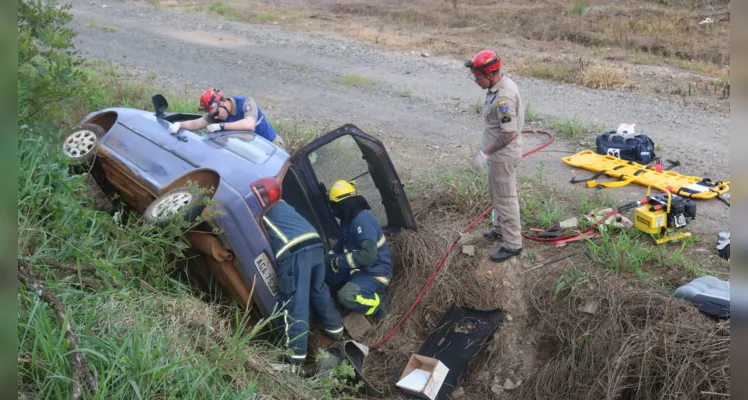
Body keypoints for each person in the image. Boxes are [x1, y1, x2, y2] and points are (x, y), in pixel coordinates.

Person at [262, 199, 344, 369]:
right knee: (318, 289)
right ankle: (336, 328)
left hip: (294, 249)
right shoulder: (280, 200)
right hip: (315, 241)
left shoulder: (252, 204)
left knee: (296, 301)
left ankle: (295, 356)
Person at [467, 49, 525, 263]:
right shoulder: (497, 87)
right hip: (497, 156)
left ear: (490, 74)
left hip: (503, 156)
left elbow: (508, 134)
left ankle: (512, 244)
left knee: (506, 198)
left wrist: (485, 152)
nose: (476, 81)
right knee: (495, 194)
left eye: (478, 77)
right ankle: (499, 229)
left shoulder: (503, 98)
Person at [324, 180, 391, 323]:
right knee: (325, 269)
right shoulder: (347, 220)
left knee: (346, 296)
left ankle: (379, 304)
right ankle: (351, 289)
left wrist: (338, 262)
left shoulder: (362, 221)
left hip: (375, 273)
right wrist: (327, 260)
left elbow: (368, 256)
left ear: (342, 204)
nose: (334, 211)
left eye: (334, 206)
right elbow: (340, 245)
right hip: (358, 270)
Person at [169, 88, 286, 148]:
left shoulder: (246, 103)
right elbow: (196, 124)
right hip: (254, 151)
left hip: (272, 145)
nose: (216, 117)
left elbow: (249, 124)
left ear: (223, 103)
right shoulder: (216, 113)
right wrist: (179, 124)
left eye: (216, 113)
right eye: (213, 115)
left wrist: (221, 126)